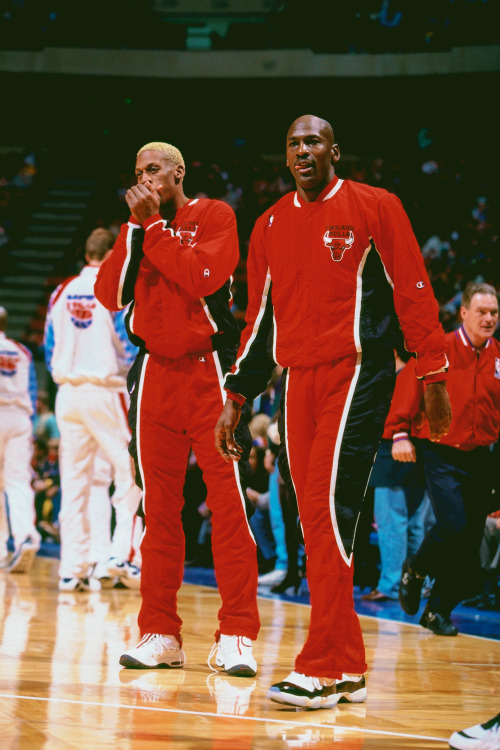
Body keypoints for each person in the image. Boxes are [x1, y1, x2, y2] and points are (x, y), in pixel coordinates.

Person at [215, 114, 452, 708]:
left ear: (334, 151)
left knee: (326, 505)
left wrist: (434, 374)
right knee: (315, 515)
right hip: (297, 381)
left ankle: (319, 665)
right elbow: (257, 321)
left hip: (358, 371)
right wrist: (237, 397)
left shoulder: (376, 206)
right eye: (293, 142)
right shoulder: (268, 225)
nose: (302, 150)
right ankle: (346, 665)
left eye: (313, 141)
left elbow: (413, 288)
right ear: (285, 155)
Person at [94, 141, 260, 675]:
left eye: (154, 169)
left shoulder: (214, 214)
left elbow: (201, 278)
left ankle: (236, 633)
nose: (145, 177)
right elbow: (109, 295)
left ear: (178, 172)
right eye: (138, 169)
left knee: (229, 508)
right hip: (154, 378)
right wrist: (136, 230)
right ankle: (160, 632)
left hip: (208, 374)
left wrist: (155, 230)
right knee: (159, 511)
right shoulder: (139, 229)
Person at [389, 281, 500, 635]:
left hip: (481, 454)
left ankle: (437, 611)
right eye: (481, 312)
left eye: (494, 313)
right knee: (452, 524)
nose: (489, 318)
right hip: (439, 450)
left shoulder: (498, 356)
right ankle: (415, 569)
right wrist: (399, 433)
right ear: (464, 312)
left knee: (469, 541)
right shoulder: (440, 349)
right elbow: (409, 385)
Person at [44, 228, 142, 592]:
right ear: (114, 252)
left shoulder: (61, 290)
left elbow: (48, 345)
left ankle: (73, 568)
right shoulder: (112, 288)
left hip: (67, 393)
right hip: (106, 389)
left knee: (75, 481)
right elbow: (130, 344)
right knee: (130, 471)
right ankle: (123, 556)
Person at [361, 349, 432, 602]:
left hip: (392, 451)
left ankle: (392, 584)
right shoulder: (419, 367)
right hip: (419, 451)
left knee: (392, 524)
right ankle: (418, 583)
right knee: (416, 524)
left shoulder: (399, 374)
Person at [0, 306, 41, 572]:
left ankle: (2, 546)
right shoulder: (22, 351)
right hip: (20, 418)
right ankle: (25, 535)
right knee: (18, 480)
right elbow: (33, 390)